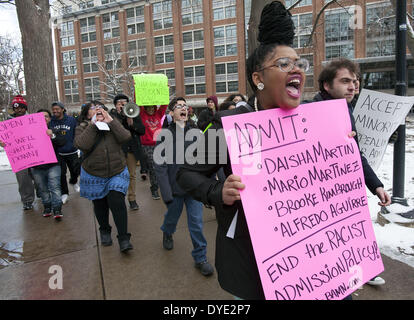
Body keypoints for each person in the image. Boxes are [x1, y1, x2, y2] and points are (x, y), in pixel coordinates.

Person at [177, 1, 312, 299]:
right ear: (258, 79)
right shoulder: (229, 125)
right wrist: (218, 192)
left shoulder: (315, 121)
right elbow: (186, 174)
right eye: (284, 64)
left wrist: (344, 143)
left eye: (299, 63)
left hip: (309, 258)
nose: (296, 70)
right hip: (253, 261)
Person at [312, 58, 391, 287]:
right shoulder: (309, 110)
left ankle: (360, 268)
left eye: (355, 81)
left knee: (350, 236)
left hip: (343, 195)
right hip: (316, 200)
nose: (352, 87)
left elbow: (355, 153)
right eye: (345, 81)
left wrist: (376, 186)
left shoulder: (346, 109)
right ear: (326, 85)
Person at [154, 97, 214, 276]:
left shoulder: (196, 133)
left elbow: (206, 160)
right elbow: (159, 166)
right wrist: (166, 192)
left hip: (193, 189)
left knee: (196, 223)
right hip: (174, 189)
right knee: (172, 218)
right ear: (171, 113)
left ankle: (200, 257)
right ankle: (167, 232)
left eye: (185, 106)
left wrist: (206, 184)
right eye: (178, 106)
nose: (183, 108)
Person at [74, 103, 133, 253]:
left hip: (116, 171)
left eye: (101, 107)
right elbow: (82, 145)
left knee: (116, 200)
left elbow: (126, 136)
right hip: (94, 172)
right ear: (87, 114)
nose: (98, 109)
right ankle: (105, 230)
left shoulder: (113, 123)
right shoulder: (82, 127)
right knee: (100, 204)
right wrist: (93, 126)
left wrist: (111, 122)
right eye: (93, 108)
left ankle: (124, 238)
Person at [109, 94, 146, 211]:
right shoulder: (111, 116)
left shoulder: (134, 114)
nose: (123, 105)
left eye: (125, 102)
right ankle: (119, 199)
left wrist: (132, 124)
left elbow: (142, 130)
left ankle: (132, 199)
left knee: (131, 175)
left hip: (131, 149)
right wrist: (121, 117)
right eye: (120, 103)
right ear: (115, 105)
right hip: (117, 150)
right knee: (117, 176)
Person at [0, 95, 35, 210]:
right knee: (23, 180)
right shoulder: (8, 123)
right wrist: (2, 142)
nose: (18, 110)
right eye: (16, 108)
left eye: (21, 107)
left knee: (38, 177)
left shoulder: (33, 119)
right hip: (19, 156)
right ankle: (27, 201)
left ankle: (42, 194)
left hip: (35, 153)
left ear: (25, 108)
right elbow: (4, 139)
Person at [31, 109, 65, 219]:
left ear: (49, 119)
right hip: (37, 166)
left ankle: (57, 208)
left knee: (55, 187)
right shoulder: (30, 134)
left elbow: (62, 142)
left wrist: (53, 136)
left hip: (53, 165)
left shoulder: (55, 130)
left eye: (46, 116)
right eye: (40, 116)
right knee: (42, 188)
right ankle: (47, 206)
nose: (43, 118)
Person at [50, 101, 80, 204]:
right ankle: (65, 193)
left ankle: (74, 181)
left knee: (75, 171)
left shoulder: (71, 120)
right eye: (53, 109)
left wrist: (75, 144)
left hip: (72, 151)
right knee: (61, 174)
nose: (55, 111)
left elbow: (76, 133)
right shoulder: (51, 122)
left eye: (57, 109)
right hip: (59, 153)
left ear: (63, 109)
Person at [139, 104, 168, 200]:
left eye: (152, 108)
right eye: (149, 108)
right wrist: (137, 90)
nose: (151, 110)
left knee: (162, 166)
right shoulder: (143, 115)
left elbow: (164, 105)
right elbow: (139, 103)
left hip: (159, 144)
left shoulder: (158, 114)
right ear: (145, 108)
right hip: (147, 145)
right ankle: (154, 188)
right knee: (153, 167)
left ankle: (163, 185)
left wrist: (166, 89)